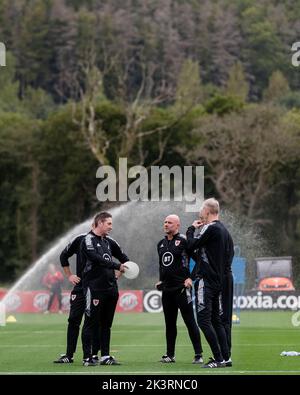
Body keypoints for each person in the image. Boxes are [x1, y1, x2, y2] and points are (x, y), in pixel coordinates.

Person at [186, 198, 233, 368]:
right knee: (215, 320)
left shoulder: (211, 228)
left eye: (201, 211)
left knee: (204, 321)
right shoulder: (225, 231)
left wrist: (191, 229)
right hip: (219, 281)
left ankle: (218, 358)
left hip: (207, 281)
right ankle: (226, 357)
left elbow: (191, 245)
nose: (200, 214)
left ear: (207, 211)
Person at [80, 211, 129, 366]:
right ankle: (88, 357)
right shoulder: (88, 239)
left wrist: (121, 271)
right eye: (109, 224)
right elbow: (95, 258)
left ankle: (105, 356)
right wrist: (117, 266)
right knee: (90, 322)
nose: (111, 227)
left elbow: (124, 259)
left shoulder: (109, 242)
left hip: (111, 289)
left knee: (106, 324)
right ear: (100, 223)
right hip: (94, 287)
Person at [156, 214, 203, 364]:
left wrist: (191, 278)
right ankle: (170, 355)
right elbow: (162, 265)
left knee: (190, 321)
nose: (166, 224)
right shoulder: (161, 244)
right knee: (169, 324)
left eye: (169, 222)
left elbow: (200, 261)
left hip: (182, 289)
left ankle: (198, 354)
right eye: (165, 222)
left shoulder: (183, 241)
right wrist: (160, 280)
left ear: (177, 225)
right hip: (167, 291)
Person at [53, 231, 102, 364]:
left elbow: (116, 259)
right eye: (108, 223)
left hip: (96, 288)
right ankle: (69, 355)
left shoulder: (106, 241)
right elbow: (63, 256)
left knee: (93, 322)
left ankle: (91, 355)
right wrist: (70, 275)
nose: (110, 226)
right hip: (80, 288)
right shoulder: (80, 239)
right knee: (73, 320)